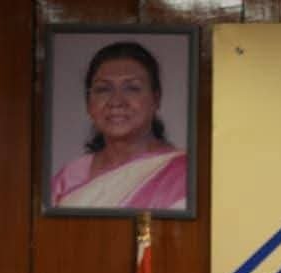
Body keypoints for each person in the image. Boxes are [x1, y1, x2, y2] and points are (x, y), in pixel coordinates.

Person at [51, 41, 187, 210]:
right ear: (89, 104)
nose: (116, 101)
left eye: (132, 88)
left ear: (156, 99)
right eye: (103, 89)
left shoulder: (185, 174)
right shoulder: (67, 179)